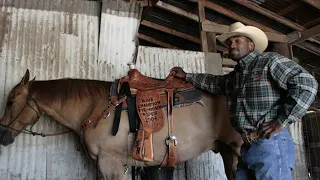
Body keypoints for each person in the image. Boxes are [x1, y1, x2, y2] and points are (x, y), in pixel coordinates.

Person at [170, 22, 318, 180]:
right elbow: (215, 83)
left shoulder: (269, 61)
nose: (232, 45)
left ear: (251, 45)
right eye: (229, 43)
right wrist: (187, 76)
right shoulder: (236, 76)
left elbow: (306, 84)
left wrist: (281, 120)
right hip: (247, 146)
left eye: (237, 40)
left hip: (270, 143)